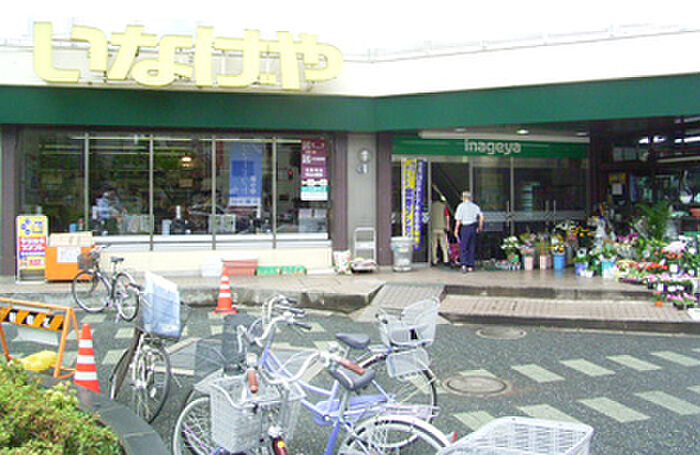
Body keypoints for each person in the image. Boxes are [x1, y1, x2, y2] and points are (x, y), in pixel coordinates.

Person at [453, 191, 484, 273]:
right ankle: (470, 266)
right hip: (473, 227)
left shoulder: (461, 206)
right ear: (470, 198)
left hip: (465, 228)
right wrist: (480, 227)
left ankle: (464, 265)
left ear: (463, 198)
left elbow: (459, 220)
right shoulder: (475, 206)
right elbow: (481, 217)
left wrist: (456, 229)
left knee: (463, 247)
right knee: (471, 247)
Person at [430, 193, 451, 265]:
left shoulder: (431, 206)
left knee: (434, 245)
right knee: (443, 244)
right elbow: (447, 216)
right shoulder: (443, 206)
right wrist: (447, 226)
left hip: (433, 227)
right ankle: (446, 260)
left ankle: (434, 260)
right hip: (442, 227)